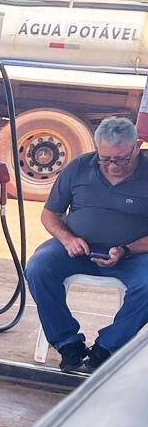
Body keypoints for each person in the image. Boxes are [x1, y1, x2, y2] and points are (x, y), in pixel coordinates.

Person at [26, 116, 148, 374]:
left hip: (133, 254)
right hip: (76, 248)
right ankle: (67, 344)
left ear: (137, 146)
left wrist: (126, 249)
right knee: (38, 267)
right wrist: (67, 239)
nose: (112, 166)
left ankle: (107, 349)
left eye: (121, 159)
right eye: (105, 158)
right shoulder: (79, 167)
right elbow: (50, 214)